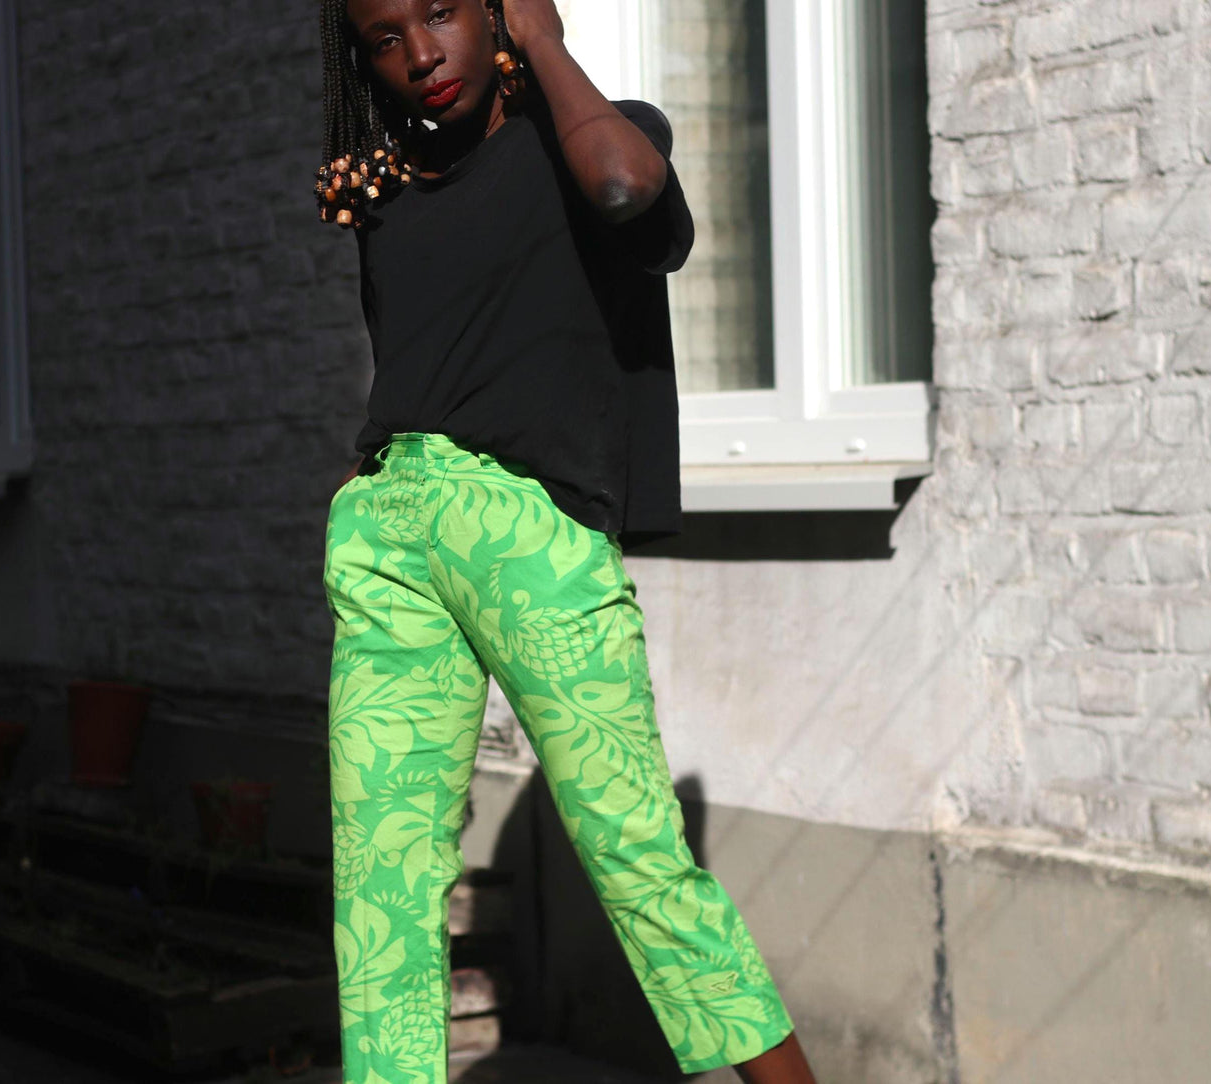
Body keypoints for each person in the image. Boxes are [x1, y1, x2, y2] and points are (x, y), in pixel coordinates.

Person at [317, 2, 818, 1082]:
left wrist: (542, 43)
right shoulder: (385, 194)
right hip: (390, 528)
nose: (416, 53)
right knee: (378, 890)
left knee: (635, 854)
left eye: (442, 11)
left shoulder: (591, 139)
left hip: (528, 531)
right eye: (382, 37)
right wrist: (379, 187)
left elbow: (633, 199)